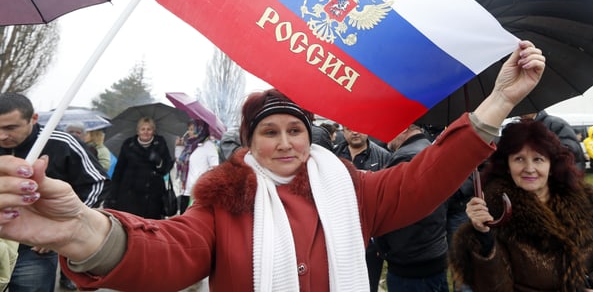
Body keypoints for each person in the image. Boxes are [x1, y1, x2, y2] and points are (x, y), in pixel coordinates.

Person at [0, 41, 545, 291]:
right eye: (270, 132)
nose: (285, 143)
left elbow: (420, 179)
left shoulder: (348, 187)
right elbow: (168, 252)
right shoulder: (222, 197)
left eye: (295, 131)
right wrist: (84, 233)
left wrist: (497, 103)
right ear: (250, 141)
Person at [450, 119, 593, 291]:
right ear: (507, 166)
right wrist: (484, 239)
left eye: (538, 159)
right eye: (519, 159)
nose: (529, 168)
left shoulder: (587, 205)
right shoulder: (495, 216)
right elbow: (494, 287)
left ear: (551, 165)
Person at [0, 92, 109, 292]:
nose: (2, 136)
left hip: (34, 246)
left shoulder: (61, 142)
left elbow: (98, 182)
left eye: (10, 128)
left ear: (33, 119)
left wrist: (70, 223)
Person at [375, 124, 450, 292]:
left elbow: (392, 211)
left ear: (403, 128)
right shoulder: (429, 149)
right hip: (432, 253)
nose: (385, 138)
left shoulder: (406, 158)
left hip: (411, 264)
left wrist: (384, 247)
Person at [333, 126, 391, 292]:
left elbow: (386, 197)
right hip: (340, 234)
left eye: (359, 128)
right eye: (349, 128)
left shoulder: (383, 156)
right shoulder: (333, 156)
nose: (355, 132)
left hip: (370, 236)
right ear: (342, 131)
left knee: (368, 283)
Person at [105, 116, 174, 219]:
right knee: (131, 224)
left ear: (153, 131)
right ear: (138, 131)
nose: (145, 132)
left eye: (149, 129)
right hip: (130, 193)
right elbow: (119, 170)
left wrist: (159, 161)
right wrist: (112, 195)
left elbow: (166, 168)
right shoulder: (128, 144)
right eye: (143, 129)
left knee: (150, 225)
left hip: (153, 195)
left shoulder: (160, 143)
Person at [175, 119, 220, 214]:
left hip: (198, 194)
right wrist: (179, 147)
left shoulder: (208, 145)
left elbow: (215, 168)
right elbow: (179, 165)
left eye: (192, 129)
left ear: (200, 129)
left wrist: (202, 182)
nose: (189, 132)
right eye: (189, 129)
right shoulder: (189, 146)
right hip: (185, 192)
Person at [521, 110, 586, 171]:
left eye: (525, 108)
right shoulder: (522, 128)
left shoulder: (555, 123)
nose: (521, 114)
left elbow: (571, 149)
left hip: (563, 172)